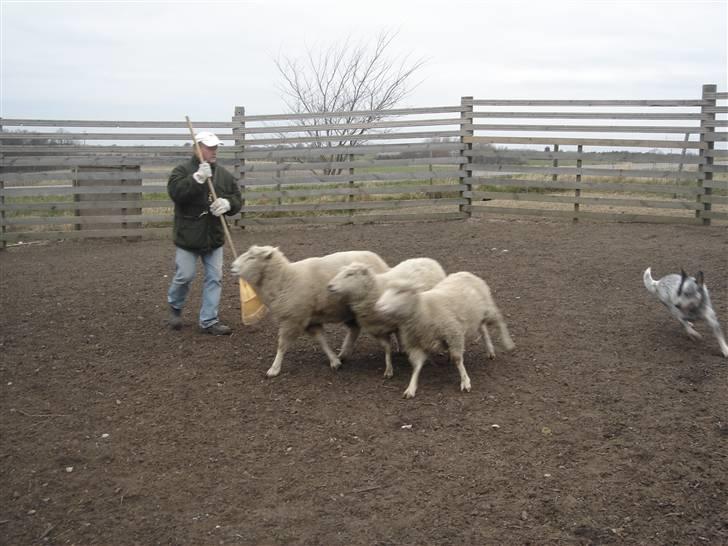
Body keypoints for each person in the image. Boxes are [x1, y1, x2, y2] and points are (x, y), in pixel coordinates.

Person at [166, 131, 242, 335]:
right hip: (188, 237)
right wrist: (197, 179)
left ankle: (209, 320)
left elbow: (237, 199)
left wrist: (228, 204)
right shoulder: (181, 171)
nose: (214, 150)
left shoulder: (224, 175)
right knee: (184, 275)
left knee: (215, 278)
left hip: (213, 236)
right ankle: (175, 305)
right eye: (209, 147)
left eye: (216, 147)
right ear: (197, 148)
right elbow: (176, 194)